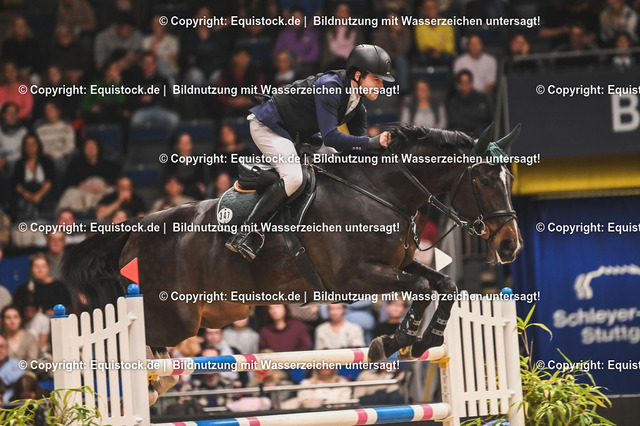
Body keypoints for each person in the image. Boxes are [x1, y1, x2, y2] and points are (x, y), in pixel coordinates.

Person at [226, 44, 394, 261]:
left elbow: (356, 150)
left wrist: (385, 154)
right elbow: (332, 137)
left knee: (338, 167)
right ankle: (244, 233)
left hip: (298, 133)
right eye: (377, 80)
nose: (381, 86)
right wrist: (372, 142)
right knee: (294, 178)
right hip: (269, 125)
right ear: (358, 75)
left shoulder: (357, 106)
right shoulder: (330, 86)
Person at [58, 137, 120, 213]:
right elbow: (69, 181)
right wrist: (82, 185)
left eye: (93, 147)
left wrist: (105, 185)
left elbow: (115, 180)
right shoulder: (75, 165)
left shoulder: (108, 165)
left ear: (98, 149)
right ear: (83, 150)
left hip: (102, 191)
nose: (90, 150)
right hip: (82, 191)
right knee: (70, 194)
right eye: (87, 147)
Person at [11, 133, 55, 220]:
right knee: (20, 204)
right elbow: (18, 186)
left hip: (43, 193)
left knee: (48, 203)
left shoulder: (46, 161)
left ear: (38, 145)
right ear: (24, 147)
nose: (30, 147)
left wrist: (38, 195)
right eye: (27, 144)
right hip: (26, 194)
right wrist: (29, 196)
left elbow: (49, 182)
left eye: (33, 144)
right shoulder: (19, 164)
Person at [446, 70, 493, 137]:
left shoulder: (481, 97)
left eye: (468, 82)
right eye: (463, 83)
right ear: (459, 84)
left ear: (471, 83)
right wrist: (474, 116)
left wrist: (465, 116)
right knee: (457, 132)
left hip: (478, 131)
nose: (466, 85)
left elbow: (486, 116)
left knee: (482, 131)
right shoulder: (454, 100)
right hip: (462, 132)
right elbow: (453, 120)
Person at [0, 333, 24, 403]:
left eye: (2, 346)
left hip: (15, 405)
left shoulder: (18, 364)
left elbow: (20, 382)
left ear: (7, 348)